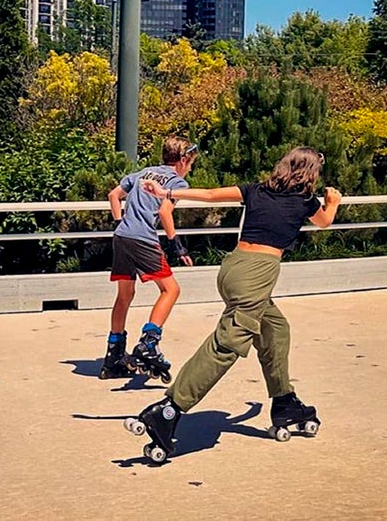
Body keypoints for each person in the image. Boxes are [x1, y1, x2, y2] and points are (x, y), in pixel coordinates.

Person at [130, 146, 342, 462]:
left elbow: (213, 194)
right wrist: (333, 202)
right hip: (256, 276)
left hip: (232, 268)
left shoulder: (256, 190)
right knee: (226, 345)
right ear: (311, 174)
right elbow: (324, 222)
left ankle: (283, 399)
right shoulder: (305, 201)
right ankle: (170, 409)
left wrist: (166, 190)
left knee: (275, 329)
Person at [100, 136, 198, 383]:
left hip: (121, 236)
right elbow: (165, 211)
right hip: (143, 238)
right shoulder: (177, 182)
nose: (190, 169)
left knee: (124, 295)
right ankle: (149, 342)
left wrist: (120, 222)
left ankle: (113, 358)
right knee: (171, 290)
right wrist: (177, 245)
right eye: (191, 163)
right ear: (183, 160)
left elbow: (114, 195)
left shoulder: (143, 173)